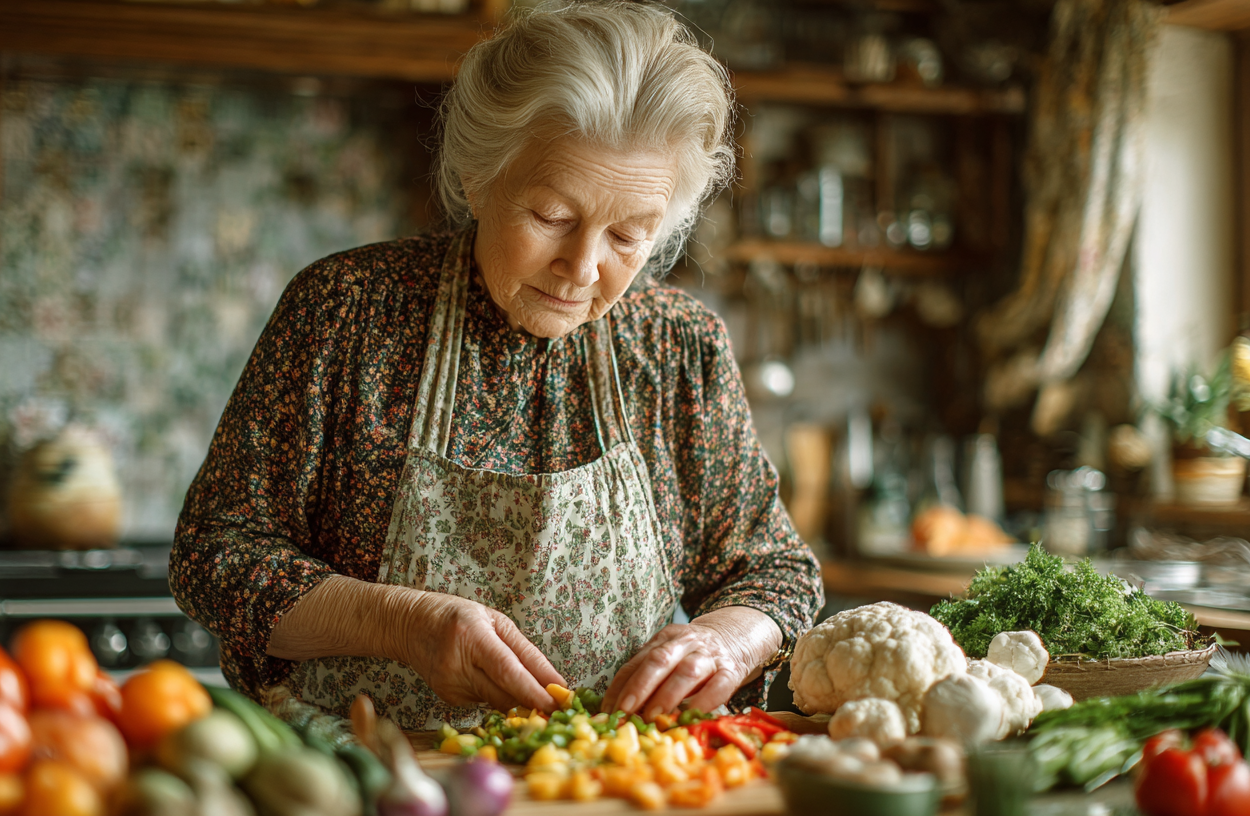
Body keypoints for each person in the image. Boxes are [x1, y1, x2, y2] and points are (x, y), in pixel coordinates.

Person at [171, 0, 823, 731]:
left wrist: (721, 644)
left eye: (628, 236)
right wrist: (400, 624)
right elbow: (215, 555)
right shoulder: (347, 311)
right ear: (479, 178)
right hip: (364, 778)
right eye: (551, 216)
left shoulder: (678, 347)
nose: (582, 267)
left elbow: (773, 572)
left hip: (610, 788)